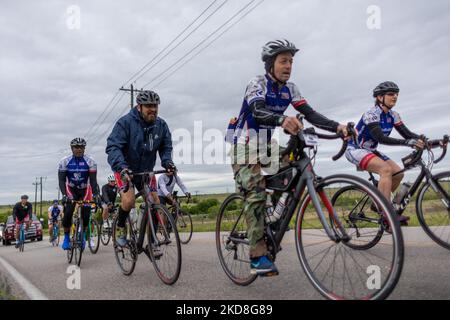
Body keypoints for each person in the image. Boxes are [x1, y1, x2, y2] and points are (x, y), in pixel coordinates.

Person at [226, 39, 349, 276]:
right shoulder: (257, 83)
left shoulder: (290, 89)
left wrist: (337, 127)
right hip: (244, 145)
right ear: (271, 64)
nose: (289, 66)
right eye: (283, 61)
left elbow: (310, 113)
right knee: (256, 194)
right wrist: (282, 120)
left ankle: (272, 217)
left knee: (291, 172)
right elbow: (258, 111)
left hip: (267, 145)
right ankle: (257, 256)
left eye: (291, 61)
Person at [345, 81, 425, 223]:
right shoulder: (371, 114)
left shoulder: (393, 115)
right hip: (355, 149)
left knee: (398, 173)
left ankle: (378, 204)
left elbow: (407, 134)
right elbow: (380, 138)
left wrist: (428, 141)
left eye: (396, 94)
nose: (394, 97)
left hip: (371, 150)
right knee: (386, 170)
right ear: (380, 97)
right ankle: (387, 212)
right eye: (390, 94)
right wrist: (406, 143)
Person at [106, 90, 174, 249]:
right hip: (125, 171)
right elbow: (113, 147)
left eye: (155, 106)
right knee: (129, 201)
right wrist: (122, 168)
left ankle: (152, 242)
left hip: (145, 171)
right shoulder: (125, 123)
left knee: (155, 202)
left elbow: (166, 146)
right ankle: (121, 228)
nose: (153, 109)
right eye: (149, 106)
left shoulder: (161, 125)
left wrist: (167, 162)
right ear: (139, 107)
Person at [58, 138, 101, 250]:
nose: (79, 149)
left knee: (86, 213)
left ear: (84, 148)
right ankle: (67, 237)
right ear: (72, 149)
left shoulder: (90, 161)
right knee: (68, 212)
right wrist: (64, 195)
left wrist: (96, 195)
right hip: (71, 189)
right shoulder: (64, 161)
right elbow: (62, 180)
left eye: (81, 147)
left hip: (85, 189)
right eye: (76, 147)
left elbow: (93, 181)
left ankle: (82, 235)